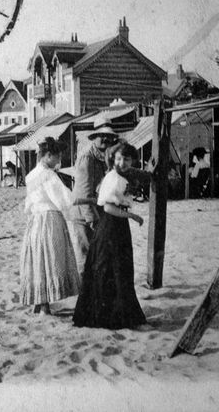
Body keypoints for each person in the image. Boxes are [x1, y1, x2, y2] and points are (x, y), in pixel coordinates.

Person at [73, 142, 148, 329]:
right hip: (111, 225)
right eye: (119, 158)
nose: (122, 162)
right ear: (113, 159)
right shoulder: (114, 178)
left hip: (117, 226)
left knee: (117, 270)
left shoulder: (120, 176)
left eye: (127, 159)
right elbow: (108, 207)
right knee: (112, 269)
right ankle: (110, 317)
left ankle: (116, 315)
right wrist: (132, 215)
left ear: (132, 160)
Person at [19, 138, 80, 315]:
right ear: (47, 156)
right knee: (49, 258)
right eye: (57, 156)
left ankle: (39, 302)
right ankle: (44, 305)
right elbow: (64, 199)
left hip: (35, 220)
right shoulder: (49, 175)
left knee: (38, 258)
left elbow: (28, 203)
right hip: (50, 218)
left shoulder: (31, 175)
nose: (59, 160)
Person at [69, 116, 120, 278]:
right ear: (94, 137)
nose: (105, 139)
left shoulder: (106, 156)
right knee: (86, 256)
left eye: (109, 136)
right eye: (101, 135)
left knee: (100, 256)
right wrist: (92, 220)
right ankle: (86, 296)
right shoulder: (87, 158)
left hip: (99, 212)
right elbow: (83, 193)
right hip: (84, 215)